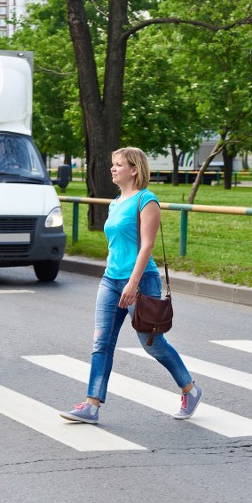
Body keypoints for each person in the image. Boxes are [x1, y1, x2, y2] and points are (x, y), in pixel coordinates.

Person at [60, 147, 202, 424]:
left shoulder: (147, 201)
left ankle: (190, 389)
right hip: (110, 279)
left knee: (151, 343)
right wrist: (116, 277)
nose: (112, 169)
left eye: (118, 165)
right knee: (101, 343)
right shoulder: (115, 203)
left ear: (134, 169)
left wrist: (133, 283)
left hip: (140, 280)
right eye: (112, 164)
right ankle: (92, 405)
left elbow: (147, 246)